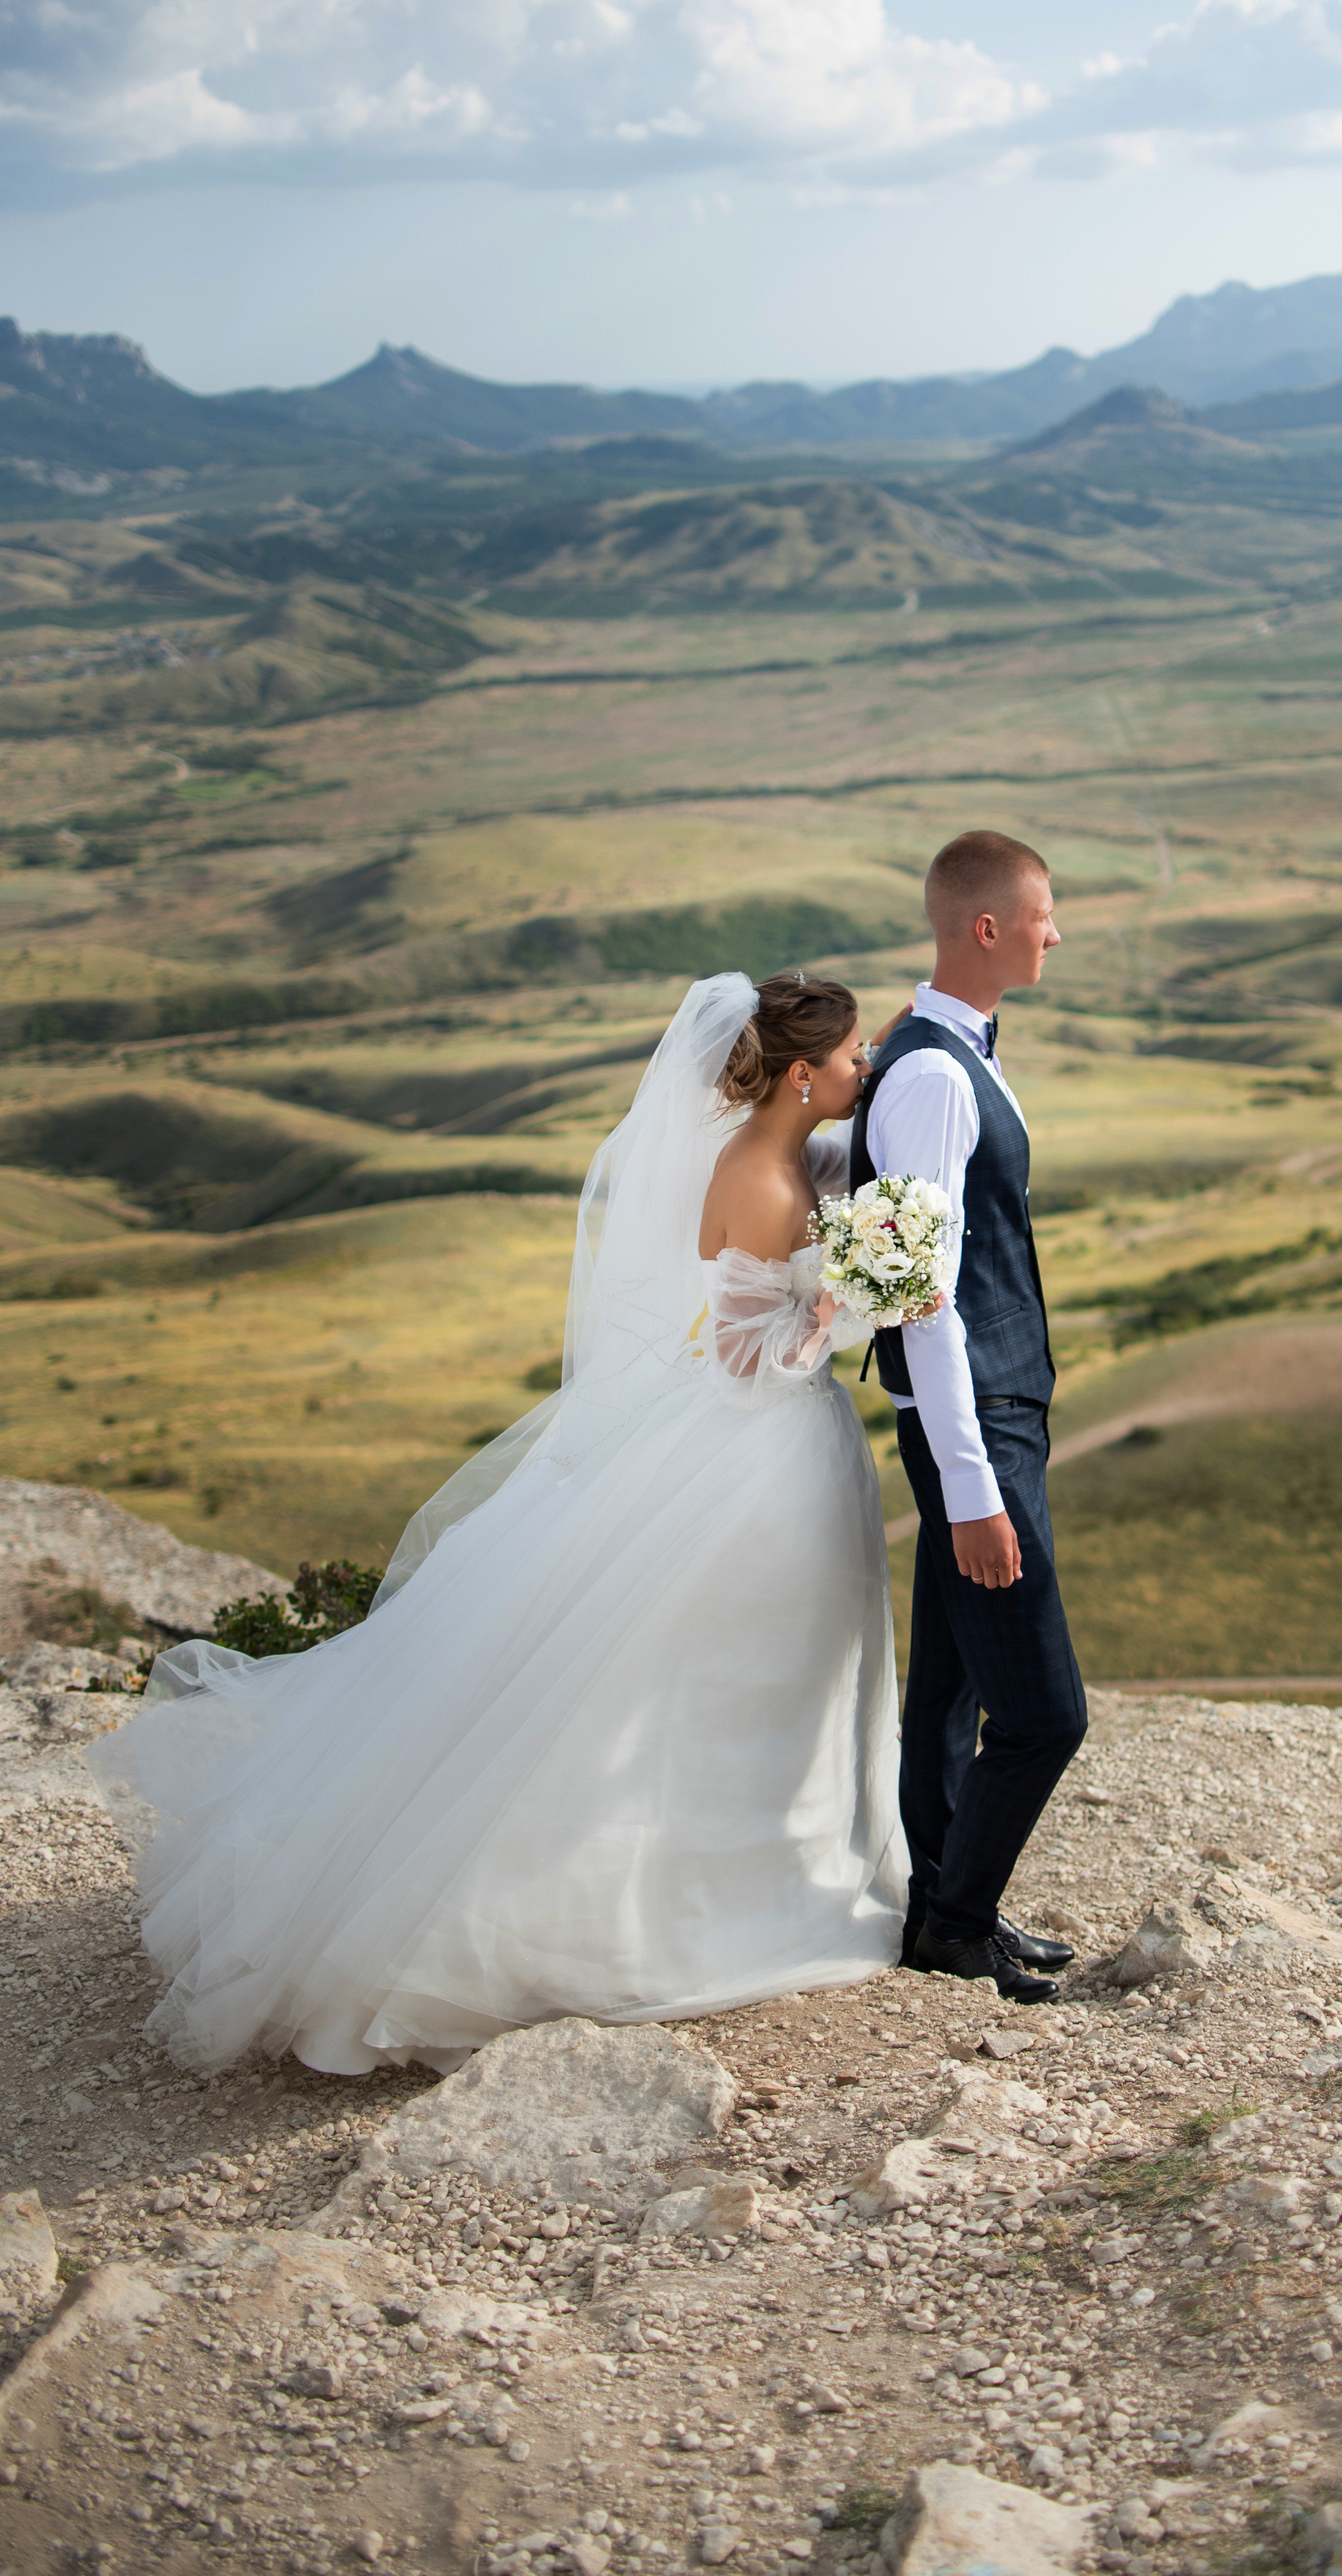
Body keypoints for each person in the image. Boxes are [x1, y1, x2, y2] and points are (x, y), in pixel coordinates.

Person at [88, 974, 909, 2077]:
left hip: (759, 1445)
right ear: (803, 1074)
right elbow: (741, 1356)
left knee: (735, 1672)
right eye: (855, 1055)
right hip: (758, 1445)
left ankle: (776, 1859)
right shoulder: (761, 1176)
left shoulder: (783, 1153)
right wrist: (846, 1301)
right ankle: (684, 1909)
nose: (866, 1069)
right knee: (712, 1671)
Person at [850, 830, 1086, 2006]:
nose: (1056, 933)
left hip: (987, 1417)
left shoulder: (939, 1054)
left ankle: (941, 1903)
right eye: (1043, 914)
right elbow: (923, 1302)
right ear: (984, 928)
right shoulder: (936, 1074)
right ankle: (958, 1923)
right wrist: (974, 1489)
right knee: (1044, 1712)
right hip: (974, 1426)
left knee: (946, 1692)